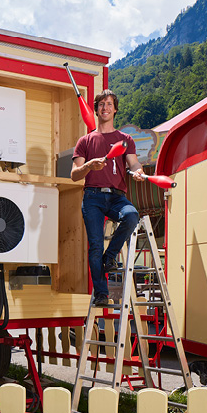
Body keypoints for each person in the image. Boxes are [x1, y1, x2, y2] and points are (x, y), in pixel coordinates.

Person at [71, 90, 145, 306]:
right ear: (96, 109)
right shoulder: (85, 141)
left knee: (131, 216)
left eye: (109, 104)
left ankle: (109, 256)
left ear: (115, 109)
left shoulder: (125, 139)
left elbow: (134, 163)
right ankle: (101, 294)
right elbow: (75, 175)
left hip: (117, 197)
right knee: (94, 245)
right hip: (92, 196)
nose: (105, 108)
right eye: (101, 104)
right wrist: (89, 165)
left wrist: (139, 171)